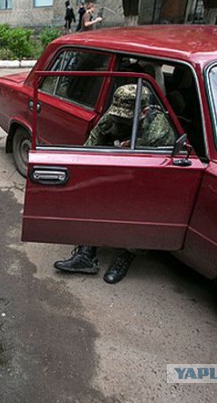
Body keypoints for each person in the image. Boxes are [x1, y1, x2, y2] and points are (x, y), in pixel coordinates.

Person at [54, 84, 175, 284]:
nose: (118, 118)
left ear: (144, 112)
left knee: (138, 211)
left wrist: (119, 148)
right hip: (117, 169)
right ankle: (86, 254)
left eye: (125, 116)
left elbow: (146, 163)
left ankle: (126, 254)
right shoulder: (117, 113)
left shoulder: (158, 130)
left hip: (146, 178)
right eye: (118, 114)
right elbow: (93, 140)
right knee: (91, 195)